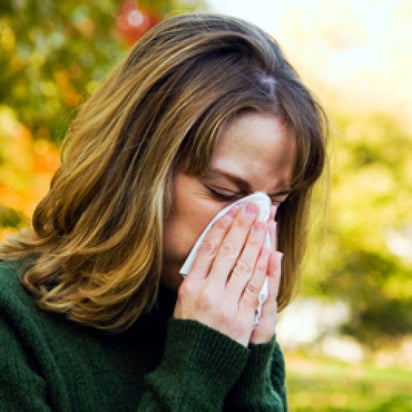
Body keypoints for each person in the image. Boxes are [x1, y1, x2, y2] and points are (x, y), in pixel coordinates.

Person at [0, 12, 327, 411]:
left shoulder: (239, 334)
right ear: (135, 172)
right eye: (223, 192)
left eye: (276, 201)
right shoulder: (13, 323)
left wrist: (251, 370)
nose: (253, 229)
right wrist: (197, 369)